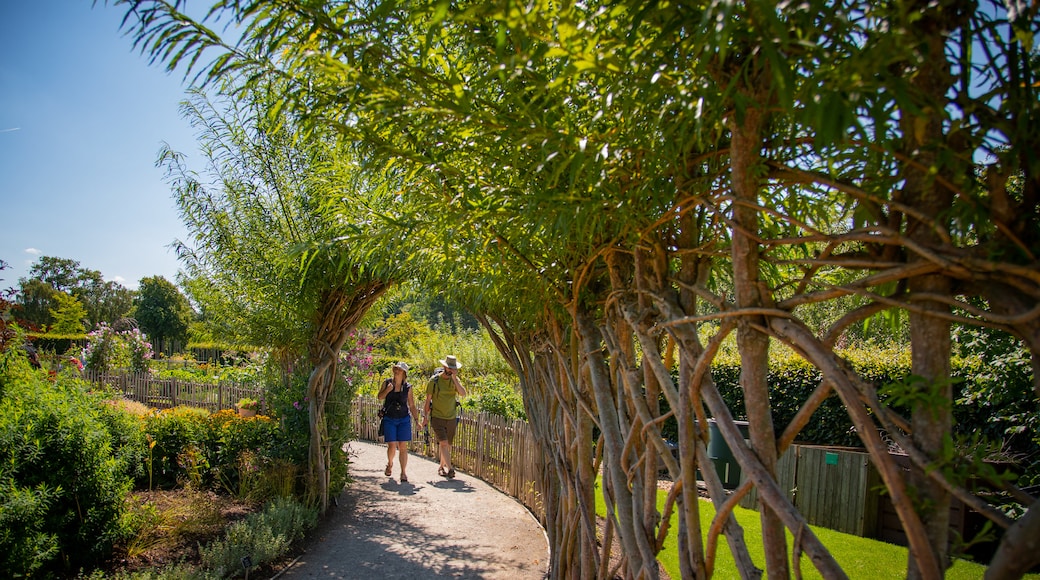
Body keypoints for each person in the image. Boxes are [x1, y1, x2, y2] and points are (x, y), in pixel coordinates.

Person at [421, 355, 467, 478]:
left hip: (451, 417)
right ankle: (450, 469)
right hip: (437, 417)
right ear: (444, 367)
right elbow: (428, 400)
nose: (451, 370)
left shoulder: (454, 381)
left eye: (453, 368)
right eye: (449, 368)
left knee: (447, 445)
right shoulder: (434, 381)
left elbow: (463, 393)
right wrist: (425, 417)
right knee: (443, 443)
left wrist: (455, 379)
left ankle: (441, 466)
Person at [377, 361, 420, 483]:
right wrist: (387, 390)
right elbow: (380, 397)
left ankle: (403, 473)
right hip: (390, 418)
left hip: (403, 419)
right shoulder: (387, 383)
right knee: (391, 444)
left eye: (399, 370)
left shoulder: (408, 387)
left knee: (402, 446)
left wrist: (417, 421)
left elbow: (411, 405)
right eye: (396, 369)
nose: (397, 371)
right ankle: (390, 464)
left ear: (404, 373)